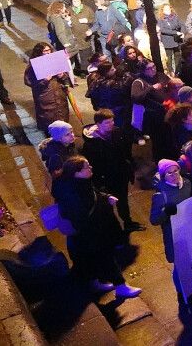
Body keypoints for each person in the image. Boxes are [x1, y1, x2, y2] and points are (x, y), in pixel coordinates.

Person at [51, 156, 142, 298]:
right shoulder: (74, 191)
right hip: (90, 234)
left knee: (91, 260)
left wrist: (106, 197)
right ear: (77, 173)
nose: (90, 168)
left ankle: (95, 283)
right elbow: (83, 213)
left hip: (88, 235)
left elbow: (95, 195)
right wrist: (105, 204)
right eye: (86, 167)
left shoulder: (79, 183)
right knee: (108, 258)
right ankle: (121, 287)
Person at [81, 109, 141, 232]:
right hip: (105, 180)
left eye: (112, 121)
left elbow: (125, 153)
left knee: (123, 201)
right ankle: (113, 230)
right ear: (98, 124)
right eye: (107, 123)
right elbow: (93, 166)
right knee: (107, 206)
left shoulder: (117, 132)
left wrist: (129, 169)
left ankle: (127, 222)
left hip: (121, 175)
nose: (112, 124)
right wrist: (99, 184)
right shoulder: (91, 145)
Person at [24, 43, 73, 133]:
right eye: (45, 51)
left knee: (62, 117)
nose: (48, 53)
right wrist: (45, 81)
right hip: (46, 98)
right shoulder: (33, 66)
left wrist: (62, 75)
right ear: (39, 52)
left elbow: (67, 79)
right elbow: (29, 82)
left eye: (49, 50)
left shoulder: (56, 60)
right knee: (49, 120)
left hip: (59, 96)